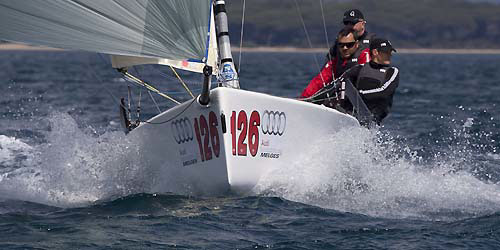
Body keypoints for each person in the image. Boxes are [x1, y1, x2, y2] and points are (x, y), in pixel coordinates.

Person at [337, 38, 400, 124]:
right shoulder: (360, 68)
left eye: (390, 52)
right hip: (353, 112)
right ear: (375, 52)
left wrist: (360, 94)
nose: (390, 55)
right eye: (386, 52)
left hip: (374, 115)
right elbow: (340, 82)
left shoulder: (392, 71)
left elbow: (384, 91)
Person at [300, 26, 370, 98]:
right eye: (341, 45)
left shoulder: (364, 56)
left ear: (356, 44)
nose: (345, 48)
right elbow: (319, 81)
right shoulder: (335, 62)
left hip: (363, 99)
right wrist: (303, 99)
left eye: (349, 45)